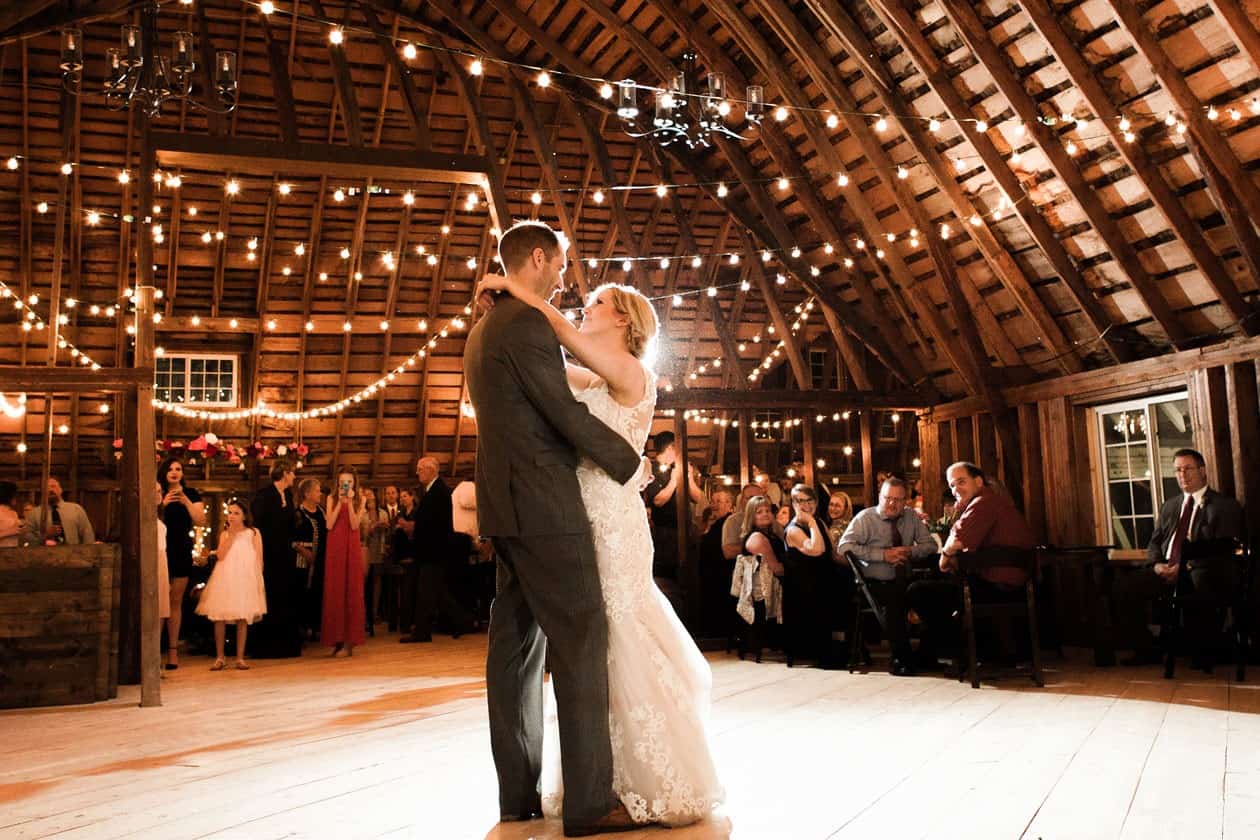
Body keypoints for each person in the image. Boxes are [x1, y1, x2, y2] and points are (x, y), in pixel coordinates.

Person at [470, 220, 720, 835]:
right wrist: (628, 463)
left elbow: (556, 367)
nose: (570, 288)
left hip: (574, 510)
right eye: (558, 268)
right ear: (538, 258)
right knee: (582, 645)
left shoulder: (503, 329)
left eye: (598, 301)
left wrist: (511, 290)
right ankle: (588, 801)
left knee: (527, 651)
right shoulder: (528, 326)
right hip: (558, 510)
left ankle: (523, 794)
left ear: (625, 322)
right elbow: (558, 402)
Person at [1115, 448, 1245, 666]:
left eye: (1188, 469)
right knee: (1123, 586)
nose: (1182, 475)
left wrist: (1186, 566)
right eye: (1177, 470)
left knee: (1201, 583)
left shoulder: (1224, 506)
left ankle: (1201, 650)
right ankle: (1147, 648)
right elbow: (1155, 542)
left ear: (1202, 471)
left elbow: (1223, 550)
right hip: (1165, 569)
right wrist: (1156, 565)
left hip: (1199, 571)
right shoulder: (1171, 505)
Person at [908, 461, 1037, 663]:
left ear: (978, 481)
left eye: (961, 481)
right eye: (952, 485)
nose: (955, 488)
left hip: (993, 589)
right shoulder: (996, 503)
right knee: (937, 587)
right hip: (1017, 587)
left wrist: (946, 553)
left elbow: (955, 545)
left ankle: (954, 651)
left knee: (919, 591)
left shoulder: (983, 503)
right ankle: (965, 650)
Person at [838, 478, 937, 675]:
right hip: (874, 582)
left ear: (906, 501)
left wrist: (908, 551)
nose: (892, 503)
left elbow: (930, 545)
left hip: (906, 579)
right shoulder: (865, 518)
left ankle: (927, 656)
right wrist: (883, 555)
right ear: (880, 497)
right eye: (888, 498)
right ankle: (902, 659)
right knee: (895, 598)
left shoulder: (911, 517)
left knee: (931, 595)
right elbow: (844, 547)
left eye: (898, 500)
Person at [402, 456, 474, 643]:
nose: (417, 472)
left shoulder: (439, 491)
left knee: (427, 592)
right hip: (431, 551)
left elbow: (438, 524)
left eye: (420, 468)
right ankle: (463, 621)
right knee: (437, 593)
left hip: (434, 551)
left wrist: (413, 528)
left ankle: (423, 632)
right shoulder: (432, 490)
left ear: (432, 469)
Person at [196, 498, 266, 671]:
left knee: (242, 616)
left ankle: (240, 658)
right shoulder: (225, 534)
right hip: (226, 577)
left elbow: (259, 559)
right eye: (230, 512)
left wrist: (257, 579)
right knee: (219, 616)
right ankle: (220, 657)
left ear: (244, 516)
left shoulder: (253, 533)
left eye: (236, 513)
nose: (232, 516)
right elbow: (220, 555)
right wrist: (231, 535)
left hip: (245, 578)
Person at [156, 458, 205, 670]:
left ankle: (173, 652)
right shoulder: (157, 491)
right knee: (158, 602)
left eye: (179, 469)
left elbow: (200, 520)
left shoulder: (191, 493)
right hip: (160, 549)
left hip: (182, 549)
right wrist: (163, 503)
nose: (175, 472)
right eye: (171, 469)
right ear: (164, 472)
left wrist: (184, 499)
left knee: (175, 601)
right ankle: (155, 650)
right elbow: (149, 517)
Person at [250, 463, 301, 658]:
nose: (294, 477)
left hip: (285, 553)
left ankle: (285, 645)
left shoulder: (288, 495)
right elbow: (260, 522)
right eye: (292, 473)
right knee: (270, 593)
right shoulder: (264, 494)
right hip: (269, 552)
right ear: (284, 474)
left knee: (285, 594)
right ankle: (266, 646)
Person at [643, 430, 704, 583]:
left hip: (686, 530)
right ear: (671, 448)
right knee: (668, 577)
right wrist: (674, 480)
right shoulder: (652, 469)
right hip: (665, 533)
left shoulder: (677, 468)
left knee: (689, 574)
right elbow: (658, 501)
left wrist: (688, 478)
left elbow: (699, 498)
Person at [322, 468, 365, 657]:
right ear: (338, 483)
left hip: (351, 545)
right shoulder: (331, 498)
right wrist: (340, 503)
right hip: (335, 546)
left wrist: (353, 504)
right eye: (342, 481)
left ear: (354, 482)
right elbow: (329, 524)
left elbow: (355, 524)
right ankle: (336, 640)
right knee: (335, 589)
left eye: (349, 481)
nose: (345, 484)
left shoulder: (360, 499)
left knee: (351, 588)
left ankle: (349, 643)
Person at [293, 478, 327, 641]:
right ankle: (301, 627)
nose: (319, 493)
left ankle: (315, 627)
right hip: (302, 559)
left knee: (317, 590)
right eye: (316, 490)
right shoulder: (298, 513)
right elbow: (290, 538)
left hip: (320, 559)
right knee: (301, 591)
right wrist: (304, 551)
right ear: (307, 494)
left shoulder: (321, 512)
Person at [25, 477, 95, 546]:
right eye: (46, 488)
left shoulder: (76, 509)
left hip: (73, 555)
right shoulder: (34, 514)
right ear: (42, 492)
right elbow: (28, 540)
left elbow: (88, 536)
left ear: (60, 489)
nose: (50, 490)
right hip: (45, 555)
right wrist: (45, 535)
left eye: (53, 486)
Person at [360, 488, 389, 637]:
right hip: (365, 549)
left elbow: (387, 532)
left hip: (379, 548)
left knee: (377, 581)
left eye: (371, 495)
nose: (369, 497)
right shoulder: (361, 513)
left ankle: (374, 611)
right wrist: (372, 527)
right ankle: (364, 614)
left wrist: (385, 527)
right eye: (366, 495)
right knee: (364, 582)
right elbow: (361, 533)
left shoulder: (383, 513)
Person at [0, 481, 20, 547]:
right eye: (15, 495)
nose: (16, 498)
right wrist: (8, 532)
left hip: (14, 551)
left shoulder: (14, 513)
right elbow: (12, 531)